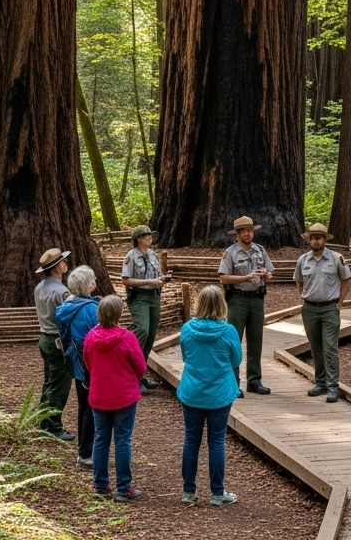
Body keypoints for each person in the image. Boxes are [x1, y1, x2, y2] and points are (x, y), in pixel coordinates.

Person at [177, 285, 242, 506]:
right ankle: (217, 492)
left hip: (192, 391)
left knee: (191, 440)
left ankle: (188, 491)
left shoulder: (187, 329)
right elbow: (236, 361)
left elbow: (185, 356)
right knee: (216, 442)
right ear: (222, 305)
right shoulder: (229, 331)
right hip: (219, 394)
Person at [83, 294, 146, 502]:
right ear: (119, 314)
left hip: (99, 394)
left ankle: (100, 485)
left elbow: (88, 364)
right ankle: (123, 487)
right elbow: (140, 368)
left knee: (101, 439)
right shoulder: (127, 337)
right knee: (122, 440)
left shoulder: (90, 337)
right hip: (124, 396)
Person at [293, 223, 351, 402]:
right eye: (312, 238)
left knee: (330, 348)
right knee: (315, 347)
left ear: (325, 240)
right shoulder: (303, 260)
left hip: (329, 308)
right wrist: (305, 299)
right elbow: (299, 281)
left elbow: (347, 279)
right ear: (309, 240)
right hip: (310, 308)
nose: (315, 241)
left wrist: (339, 303)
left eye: (318, 238)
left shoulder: (336, 258)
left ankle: (333, 385)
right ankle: (320, 383)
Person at [218, 215, 274, 397]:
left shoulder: (260, 250)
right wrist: (245, 277)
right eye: (244, 231)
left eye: (250, 231)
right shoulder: (230, 253)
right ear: (237, 234)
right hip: (238, 299)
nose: (248, 234)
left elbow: (270, 274)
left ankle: (254, 380)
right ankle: (233, 382)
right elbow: (223, 277)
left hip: (257, 299)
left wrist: (266, 274)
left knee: (256, 340)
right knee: (234, 340)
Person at [55, 265, 100, 469]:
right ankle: (86, 454)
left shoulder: (69, 304)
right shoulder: (90, 309)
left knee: (84, 407)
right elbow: (93, 340)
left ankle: (84, 450)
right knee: (90, 409)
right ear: (85, 284)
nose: (95, 282)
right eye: (92, 280)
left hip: (77, 364)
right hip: (89, 365)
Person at [34, 247, 75, 441]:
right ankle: (53, 426)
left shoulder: (39, 287)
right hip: (57, 341)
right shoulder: (62, 291)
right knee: (60, 385)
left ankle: (42, 419)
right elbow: (67, 319)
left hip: (44, 338)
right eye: (63, 261)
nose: (66, 263)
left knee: (49, 381)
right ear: (57, 266)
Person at [121, 225, 168, 392]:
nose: (150, 238)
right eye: (146, 235)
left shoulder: (153, 255)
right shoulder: (131, 257)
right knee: (143, 331)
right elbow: (126, 280)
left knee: (150, 337)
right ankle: (131, 374)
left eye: (150, 235)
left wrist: (160, 280)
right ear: (139, 239)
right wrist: (149, 282)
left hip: (154, 297)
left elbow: (154, 276)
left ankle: (140, 375)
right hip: (139, 297)